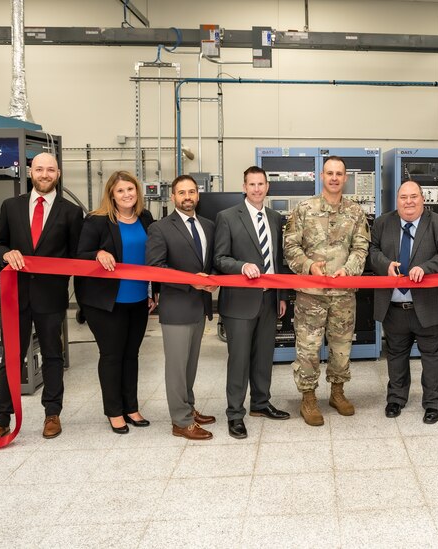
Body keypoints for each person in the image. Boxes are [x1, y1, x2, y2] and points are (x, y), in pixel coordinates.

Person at [0, 152, 83, 441]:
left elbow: (77, 257)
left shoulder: (71, 212)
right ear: (30, 172)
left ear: (58, 174)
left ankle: (52, 413)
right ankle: (1, 418)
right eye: (39, 169)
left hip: (51, 297)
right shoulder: (11, 206)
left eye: (50, 170)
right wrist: (5, 253)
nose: (44, 175)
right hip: (15, 296)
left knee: (53, 355)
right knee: (10, 358)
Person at [283, 156, 369, 426]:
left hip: (344, 295)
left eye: (339, 174)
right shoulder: (304, 209)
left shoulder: (356, 212)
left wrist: (350, 269)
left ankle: (337, 392)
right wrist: (308, 266)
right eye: (329, 173)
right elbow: (290, 246)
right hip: (311, 294)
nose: (334, 178)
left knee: (342, 348)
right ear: (321, 176)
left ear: (345, 178)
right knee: (308, 348)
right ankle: (308, 397)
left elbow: (361, 247)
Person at [75, 171, 155, 434]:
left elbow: (153, 258)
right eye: (120, 190)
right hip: (106, 302)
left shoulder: (145, 218)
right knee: (112, 356)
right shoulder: (97, 221)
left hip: (139, 299)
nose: (126, 195)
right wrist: (98, 253)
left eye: (130, 189)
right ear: (111, 193)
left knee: (131, 355)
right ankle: (114, 411)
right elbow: (80, 255)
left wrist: (153, 292)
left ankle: (131, 407)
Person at [369, 180, 438, 424]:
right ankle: (396, 398)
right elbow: (372, 251)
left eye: (413, 197)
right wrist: (384, 264)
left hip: (429, 306)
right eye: (403, 197)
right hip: (394, 306)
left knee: (432, 357)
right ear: (397, 201)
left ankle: (433, 402)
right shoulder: (382, 223)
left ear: (422, 198)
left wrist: (425, 268)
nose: (408, 202)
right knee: (396, 355)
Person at [213, 166, 290, 439]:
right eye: (251, 184)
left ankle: (260, 403)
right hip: (239, 303)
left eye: (261, 184)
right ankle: (235, 414)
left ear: (267, 187)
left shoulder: (275, 217)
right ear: (244, 187)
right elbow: (219, 259)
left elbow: (278, 261)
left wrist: (281, 297)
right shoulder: (227, 217)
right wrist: (242, 265)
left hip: (269, 300)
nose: (257, 189)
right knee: (239, 360)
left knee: (263, 358)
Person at [146, 174, 217, 440]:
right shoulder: (161, 228)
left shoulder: (208, 225)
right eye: (181, 193)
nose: (187, 197)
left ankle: (188, 406)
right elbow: (156, 268)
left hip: (200, 307)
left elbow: (208, 266)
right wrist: (191, 283)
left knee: (190, 365)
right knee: (176, 367)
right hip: (176, 307)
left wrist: (211, 282)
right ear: (172, 196)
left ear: (197, 195)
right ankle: (181, 421)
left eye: (191, 192)